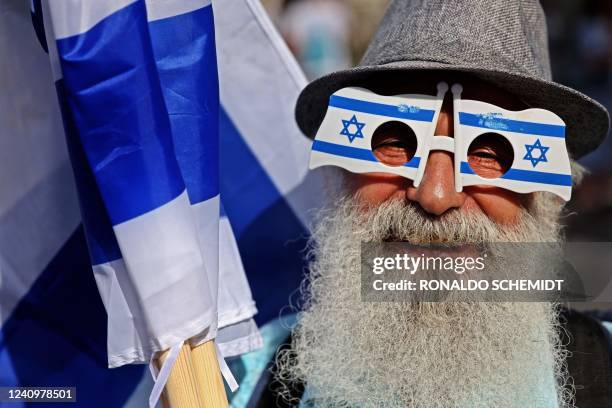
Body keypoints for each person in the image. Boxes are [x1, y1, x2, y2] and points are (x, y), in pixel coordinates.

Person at [228, 0, 612, 406]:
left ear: (548, 196)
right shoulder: (242, 383)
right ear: (337, 176)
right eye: (393, 141)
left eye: (490, 151)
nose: (435, 196)